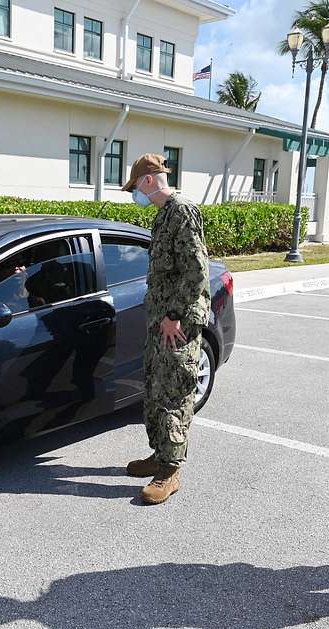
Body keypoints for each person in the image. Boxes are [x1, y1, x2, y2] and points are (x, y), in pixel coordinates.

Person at [122, 154, 211, 504]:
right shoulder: (165, 215)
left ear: (147, 181)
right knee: (156, 389)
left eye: (134, 188)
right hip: (161, 323)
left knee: (174, 393)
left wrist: (174, 314)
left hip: (177, 324)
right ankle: (160, 455)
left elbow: (195, 270)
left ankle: (171, 471)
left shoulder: (182, 211)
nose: (135, 195)